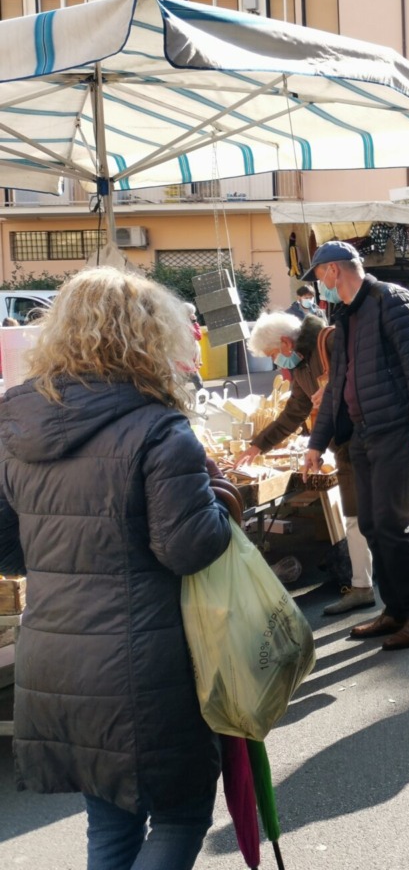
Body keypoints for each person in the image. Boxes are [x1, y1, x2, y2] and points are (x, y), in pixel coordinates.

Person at [0, 267, 235, 870]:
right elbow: (189, 548)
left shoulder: (14, 426)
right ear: (150, 336)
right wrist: (223, 496)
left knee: (110, 826)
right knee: (181, 815)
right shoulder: (159, 428)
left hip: (54, 661)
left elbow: (7, 550)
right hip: (143, 667)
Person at [303, 241, 409, 652]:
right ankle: (396, 609)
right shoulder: (345, 313)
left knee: (391, 524)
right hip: (362, 434)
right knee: (370, 524)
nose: (319, 286)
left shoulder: (391, 299)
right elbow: (336, 386)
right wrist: (317, 443)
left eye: (318, 276)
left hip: (395, 429)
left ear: (333, 271)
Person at [240, 311, 375, 615]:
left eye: (274, 355)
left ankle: (373, 587)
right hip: (343, 445)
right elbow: (295, 412)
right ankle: (363, 585)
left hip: (366, 439)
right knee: (356, 516)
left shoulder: (331, 341)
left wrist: (334, 387)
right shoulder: (301, 365)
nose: (276, 363)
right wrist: (258, 445)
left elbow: (369, 374)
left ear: (287, 343)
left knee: (372, 517)